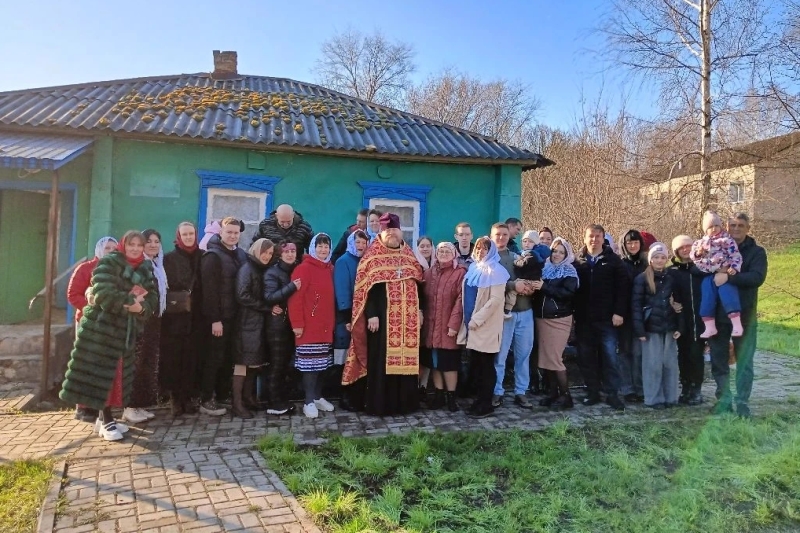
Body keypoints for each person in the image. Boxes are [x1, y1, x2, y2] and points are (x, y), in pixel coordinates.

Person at [60, 231, 158, 441]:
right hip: (102, 328)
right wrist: (130, 303)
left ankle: (103, 420)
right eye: (131, 244)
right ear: (124, 245)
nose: (135, 249)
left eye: (139, 245)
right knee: (103, 375)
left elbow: (152, 297)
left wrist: (141, 310)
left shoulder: (145, 267)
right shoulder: (109, 263)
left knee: (118, 376)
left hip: (126, 332)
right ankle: (106, 421)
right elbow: (103, 293)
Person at [341, 213, 424, 415]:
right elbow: (365, 290)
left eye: (395, 230)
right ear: (381, 231)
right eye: (388, 230)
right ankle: (381, 404)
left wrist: (420, 310)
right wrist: (371, 314)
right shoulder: (372, 257)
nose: (392, 233)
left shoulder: (409, 256)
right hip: (382, 321)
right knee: (381, 361)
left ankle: (405, 404)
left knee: (407, 361)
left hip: (408, 321)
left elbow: (420, 285)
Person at [706, 213, 767, 418]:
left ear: (748, 228)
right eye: (732, 225)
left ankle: (742, 402)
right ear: (727, 227)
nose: (736, 228)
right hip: (719, 315)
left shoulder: (757, 252)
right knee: (718, 360)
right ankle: (723, 400)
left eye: (741, 225)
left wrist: (728, 277)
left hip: (745, 316)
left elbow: (757, 277)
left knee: (744, 362)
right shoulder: (717, 247)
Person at [573, 224, 629, 411]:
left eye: (598, 236)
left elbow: (623, 289)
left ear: (603, 238)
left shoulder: (614, 261)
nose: (594, 239)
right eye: (591, 236)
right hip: (584, 320)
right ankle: (593, 392)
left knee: (610, 358)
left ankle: (612, 394)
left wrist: (619, 312)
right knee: (586, 358)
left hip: (608, 319)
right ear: (584, 238)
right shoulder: (577, 261)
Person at [199, 217, 248, 416]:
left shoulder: (240, 255)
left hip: (235, 316)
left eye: (236, 233)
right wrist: (215, 319)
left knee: (228, 358)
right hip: (219, 318)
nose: (233, 235)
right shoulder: (212, 256)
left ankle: (221, 396)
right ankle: (206, 399)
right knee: (213, 359)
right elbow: (209, 292)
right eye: (229, 232)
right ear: (221, 232)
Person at [67, 236, 118, 422]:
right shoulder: (86, 268)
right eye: (107, 248)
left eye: (114, 248)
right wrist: (91, 310)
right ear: (99, 249)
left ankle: (101, 407)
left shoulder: (117, 270)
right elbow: (73, 295)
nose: (111, 251)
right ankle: (82, 408)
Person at [460, 237, 508, 418]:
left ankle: (485, 403)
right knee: (477, 364)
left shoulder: (497, 271)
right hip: (471, 324)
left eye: (485, 249)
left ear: (492, 251)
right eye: (478, 248)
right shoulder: (474, 268)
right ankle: (478, 401)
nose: (480, 251)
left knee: (486, 365)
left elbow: (495, 300)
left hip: (485, 325)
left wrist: (477, 319)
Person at [289, 233, 336, 418]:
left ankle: (317, 397)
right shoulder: (303, 269)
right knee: (309, 366)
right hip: (308, 326)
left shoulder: (329, 269)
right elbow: (295, 299)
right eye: (320, 246)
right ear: (312, 247)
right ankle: (308, 401)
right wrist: (298, 324)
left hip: (325, 325)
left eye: (326, 246)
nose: (323, 250)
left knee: (322, 364)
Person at [631, 242, 682, 409]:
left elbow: (679, 304)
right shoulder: (642, 279)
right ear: (650, 259)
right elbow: (636, 305)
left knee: (670, 364)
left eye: (662, 257)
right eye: (656, 257)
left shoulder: (671, 278)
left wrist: (679, 327)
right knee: (652, 365)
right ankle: (654, 399)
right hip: (650, 328)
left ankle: (671, 397)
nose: (659, 260)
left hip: (669, 327)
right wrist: (640, 330)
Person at [123, 229, 167, 424]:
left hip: (154, 319)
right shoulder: (140, 266)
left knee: (147, 363)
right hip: (141, 320)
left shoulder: (157, 265)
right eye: (148, 241)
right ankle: (129, 407)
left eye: (156, 241)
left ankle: (139, 405)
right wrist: (141, 308)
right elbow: (136, 293)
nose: (153, 245)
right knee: (137, 363)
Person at [160, 222, 202, 417]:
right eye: (184, 234)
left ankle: (189, 398)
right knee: (175, 359)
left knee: (192, 359)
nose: (188, 237)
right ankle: (175, 400)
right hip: (175, 317)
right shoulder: (169, 258)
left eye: (191, 234)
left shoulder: (202, 256)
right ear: (179, 236)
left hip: (197, 316)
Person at [531, 237, 578, 409]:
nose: (557, 255)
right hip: (542, 318)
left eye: (561, 252)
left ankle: (566, 397)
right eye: (555, 251)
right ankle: (553, 393)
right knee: (546, 358)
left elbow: (567, 294)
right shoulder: (544, 268)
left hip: (559, 319)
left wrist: (544, 287)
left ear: (566, 254)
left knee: (556, 358)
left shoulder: (569, 271)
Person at [491, 223, 535, 409]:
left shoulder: (517, 256)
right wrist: (512, 286)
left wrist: (530, 286)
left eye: (504, 234)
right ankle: (497, 391)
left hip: (525, 312)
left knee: (523, 355)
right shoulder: (488, 259)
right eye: (497, 234)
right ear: (492, 236)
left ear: (509, 236)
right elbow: (489, 283)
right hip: (502, 315)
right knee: (500, 356)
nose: (501, 237)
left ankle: (521, 392)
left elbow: (532, 275)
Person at [230, 238, 274, 419]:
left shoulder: (259, 268)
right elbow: (242, 295)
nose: (267, 256)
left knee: (254, 363)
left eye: (270, 253)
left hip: (256, 323)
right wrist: (265, 307)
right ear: (256, 250)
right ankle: (237, 403)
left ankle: (248, 398)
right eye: (264, 252)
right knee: (242, 364)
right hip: (246, 323)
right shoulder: (247, 269)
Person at [421, 242, 466, 411]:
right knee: (435, 363)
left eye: (447, 251)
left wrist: (453, 324)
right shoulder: (429, 273)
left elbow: (460, 301)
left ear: (454, 254)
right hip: (431, 327)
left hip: (448, 327)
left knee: (449, 363)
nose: (444, 253)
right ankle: (439, 395)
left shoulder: (459, 273)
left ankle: (451, 397)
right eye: (441, 251)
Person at [690, 211, 744, 339]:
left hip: (725, 273)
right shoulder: (700, 242)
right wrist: (698, 253)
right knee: (707, 297)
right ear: (705, 230)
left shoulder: (727, 240)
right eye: (710, 227)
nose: (714, 229)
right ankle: (710, 327)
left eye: (716, 226)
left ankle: (737, 324)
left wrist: (734, 268)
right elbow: (693, 257)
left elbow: (736, 255)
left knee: (729, 295)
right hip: (708, 273)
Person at [263, 242, 301, 415]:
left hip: (289, 324)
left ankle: (282, 399)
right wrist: (291, 287)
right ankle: (273, 402)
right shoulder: (272, 272)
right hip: (276, 325)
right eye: (287, 251)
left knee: (285, 364)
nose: (290, 254)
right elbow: (270, 297)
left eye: (293, 251)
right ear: (280, 254)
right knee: (277, 364)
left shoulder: (296, 269)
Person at [668, 234, 706, 406]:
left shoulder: (702, 268)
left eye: (689, 246)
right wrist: (671, 303)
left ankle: (696, 389)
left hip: (699, 319)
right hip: (680, 321)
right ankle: (685, 387)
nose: (686, 249)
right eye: (682, 247)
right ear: (676, 250)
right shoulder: (671, 271)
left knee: (696, 355)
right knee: (682, 355)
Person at [334, 231, 369, 410]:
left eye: (364, 242)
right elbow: (342, 291)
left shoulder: (367, 261)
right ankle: (344, 396)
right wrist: (347, 317)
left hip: (363, 317)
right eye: (358, 242)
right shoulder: (344, 261)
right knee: (346, 357)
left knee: (359, 356)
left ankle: (358, 396)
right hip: (348, 318)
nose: (361, 246)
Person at [618, 229, 648, 403]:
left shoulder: (646, 264)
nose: (633, 245)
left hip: (642, 314)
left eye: (635, 242)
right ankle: (627, 388)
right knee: (624, 352)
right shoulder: (620, 264)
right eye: (629, 243)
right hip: (624, 314)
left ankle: (640, 388)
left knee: (638, 353)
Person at [504, 230, 550, 316]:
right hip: (530, 279)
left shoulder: (532, 254)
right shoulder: (525, 253)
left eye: (530, 241)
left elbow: (524, 263)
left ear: (536, 244)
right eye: (525, 241)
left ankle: (507, 310)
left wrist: (516, 262)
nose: (527, 243)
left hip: (530, 279)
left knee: (513, 292)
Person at [413, 235, 435, 399]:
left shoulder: (437, 265)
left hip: (434, 312)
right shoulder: (414, 265)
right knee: (418, 349)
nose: (425, 249)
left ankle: (425, 385)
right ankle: (415, 383)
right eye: (422, 246)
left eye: (428, 246)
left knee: (428, 349)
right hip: (418, 312)